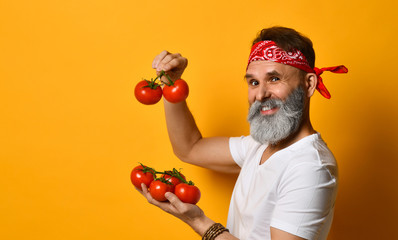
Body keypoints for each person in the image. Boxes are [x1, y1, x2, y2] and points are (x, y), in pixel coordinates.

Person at [136, 26, 348, 240]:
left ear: (309, 84)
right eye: (254, 82)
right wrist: (171, 84)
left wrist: (199, 222)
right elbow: (189, 148)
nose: (260, 94)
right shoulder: (260, 145)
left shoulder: (310, 167)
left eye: (274, 79)